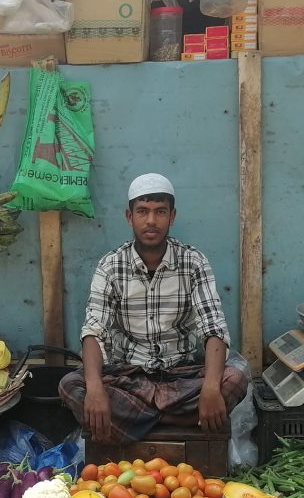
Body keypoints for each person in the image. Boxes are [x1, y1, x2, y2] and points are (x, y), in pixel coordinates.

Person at [58, 174, 250, 443]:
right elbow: (94, 330)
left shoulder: (193, 262)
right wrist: (95, 387)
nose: (151, 221)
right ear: (129, 216)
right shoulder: (111, 266)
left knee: (235, 379)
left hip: (182, 375)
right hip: (129, 377)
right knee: (72, 386)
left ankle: (136, 422)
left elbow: (213, 326)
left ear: (172, 216)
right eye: (142, 212)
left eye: (160, 212)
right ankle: (175, 420)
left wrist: (208, 387)